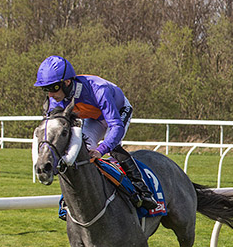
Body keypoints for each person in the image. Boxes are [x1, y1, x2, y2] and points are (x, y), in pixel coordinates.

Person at [34, 55, 159, 210]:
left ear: (67, 82)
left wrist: (101, 149)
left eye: (53, 88)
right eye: (45, 89)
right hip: (94, 118)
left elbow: (116, 125)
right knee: (81, 151)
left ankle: (142, 190)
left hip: (118, 112)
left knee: (112, 147)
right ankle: (72, 197)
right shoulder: (55, 99)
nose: (50, 95)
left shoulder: (98, 89)